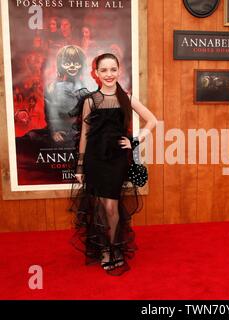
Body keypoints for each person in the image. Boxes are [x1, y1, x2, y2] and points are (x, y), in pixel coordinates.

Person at [69, 53, 157, 276]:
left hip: (117, 159)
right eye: (104, 70)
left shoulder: (126, 97)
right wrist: (79, 167)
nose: (109, 74)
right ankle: (105, 249)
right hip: (94, 159)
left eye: (113, 69)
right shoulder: (90, 100)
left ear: (119, 71)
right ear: (96, 73)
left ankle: (115, 247)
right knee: (99, 206)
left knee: (112, 205)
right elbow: (84, 135)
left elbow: (153, 121)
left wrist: (135, 140)